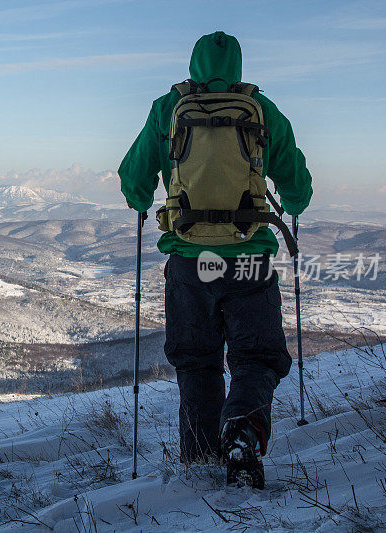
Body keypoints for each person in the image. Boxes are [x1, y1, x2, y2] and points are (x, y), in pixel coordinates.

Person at [118, 31, 312, 486]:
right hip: (249, 260)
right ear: (239, 67)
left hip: (188, 261)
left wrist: (143, 198)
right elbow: (296, 183)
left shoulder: (169, 108)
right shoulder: (261, 110)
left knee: (197, 361)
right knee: (257, 357)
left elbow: (133, 176)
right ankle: (243, 430)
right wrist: (296, 206)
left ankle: (200, 459)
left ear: (193, 64)